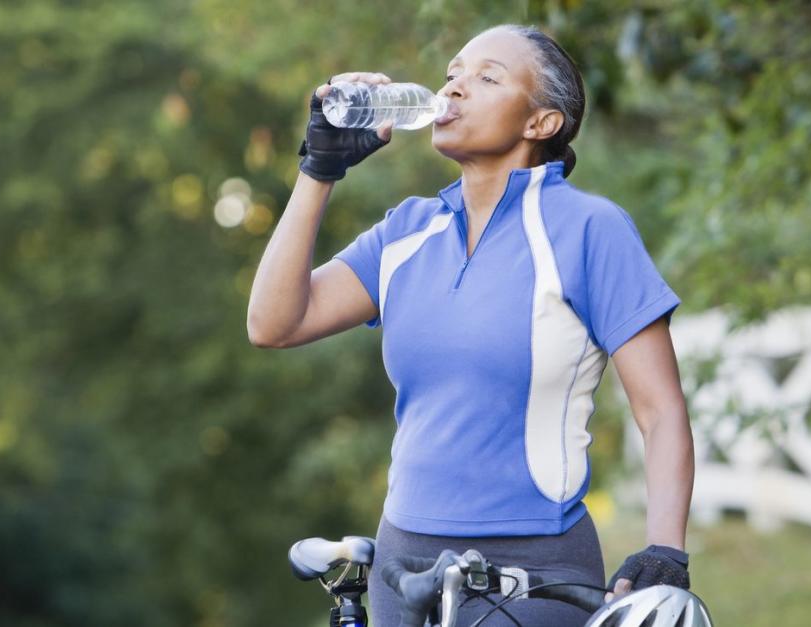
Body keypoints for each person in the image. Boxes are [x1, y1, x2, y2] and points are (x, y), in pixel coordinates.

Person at [246, 24, 695, 626]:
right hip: (402, 565)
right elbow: (273, 322)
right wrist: (318, 169)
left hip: (534, 573)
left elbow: (661, 411)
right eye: (454, 73)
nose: (454, 87)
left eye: (487, 78)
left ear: (541, 123)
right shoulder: (408, 231)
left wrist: (666, 551)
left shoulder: (589, 229)